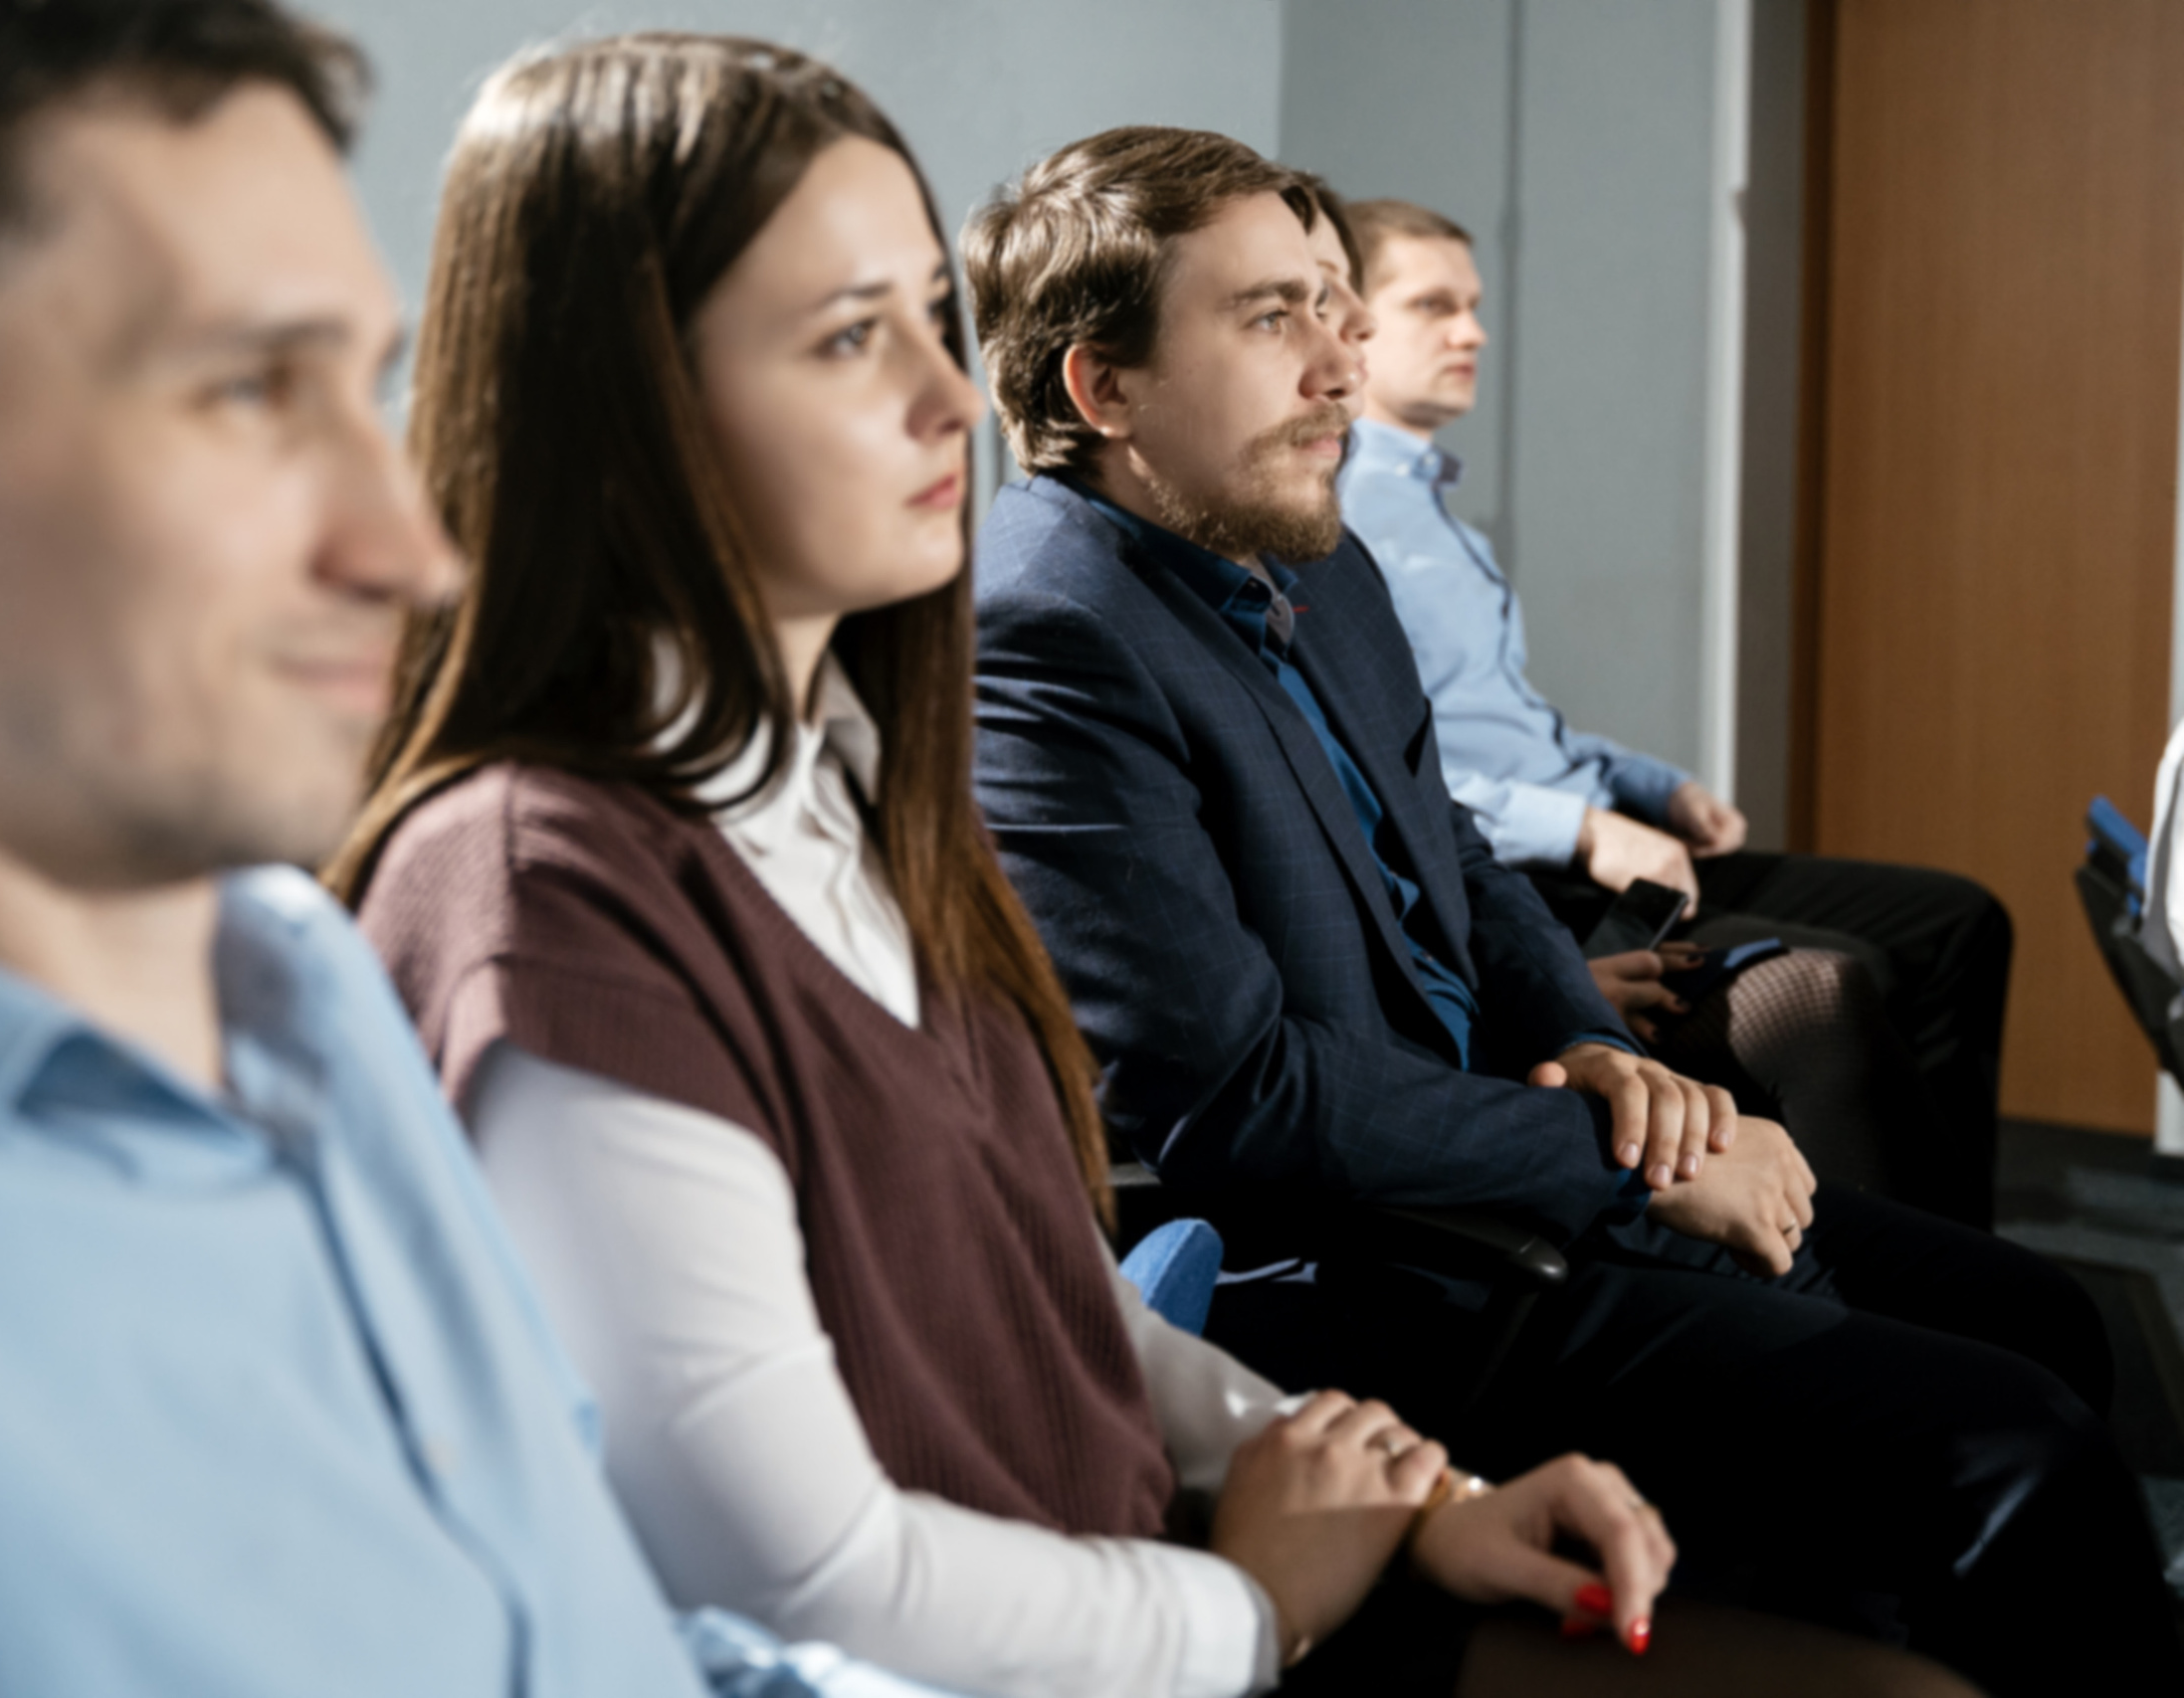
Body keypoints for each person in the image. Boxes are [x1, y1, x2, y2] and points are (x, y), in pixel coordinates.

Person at [327, 33, 1996, 1698]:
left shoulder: (842, 772)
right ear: (622, 403)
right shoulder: (549, 886)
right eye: (851, 336)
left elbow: (1044, 1291)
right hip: (1105, 1608)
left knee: (1980, 1438)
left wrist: (1410, 1503)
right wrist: (1253, 1605)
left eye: (929, 315)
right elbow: (808, 1576)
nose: (943, 394)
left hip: (1161, 1530)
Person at [0, 4, 944, 1694]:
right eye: (250, 388)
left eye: (365, 384)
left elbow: (561, 1629)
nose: (412, 546)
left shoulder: (306, 989)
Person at [961, 123, 2179, 1698]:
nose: (1340, 367)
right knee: (2013, 1446)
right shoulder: (1045, 634)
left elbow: (1456, 855)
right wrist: (1636, 1163)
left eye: (1338, 309)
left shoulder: (1303, 551)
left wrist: (1592, 1045)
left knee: (2036, 1318)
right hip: (1363, 1270)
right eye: (1272, 318)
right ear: (1101, 391)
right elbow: (1248, 1102)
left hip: (1512, 1156)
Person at [1335, 196, 2009, 1229]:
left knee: (1959, 919)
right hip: (1541, 874)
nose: (1472, 332)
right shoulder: (1339, 515)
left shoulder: (1430, 505)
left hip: (1603, 835)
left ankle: (1961, 1245)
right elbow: (1384, 767)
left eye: (1473, 306)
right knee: (1842, 979)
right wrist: (1587, 827)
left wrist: (1650, 784)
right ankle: (1889, 1277)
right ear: (1352, 324)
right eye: (1434, 306)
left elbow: (1517, 723)